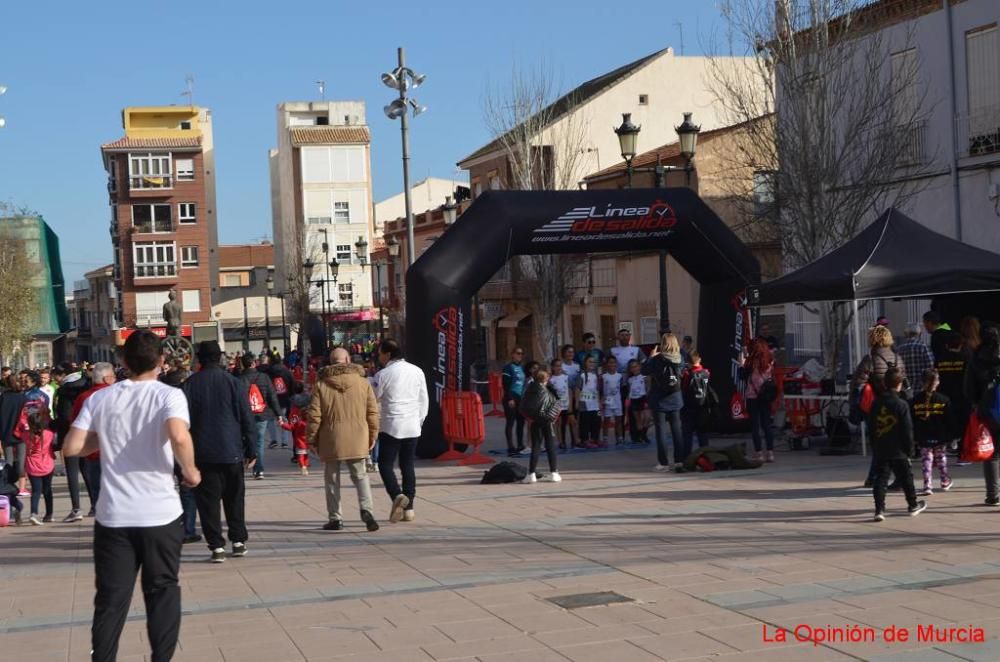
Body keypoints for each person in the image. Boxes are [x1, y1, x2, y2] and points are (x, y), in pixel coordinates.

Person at [63, 330, 201, 662]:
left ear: (123, 362)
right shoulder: (169, 395)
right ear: (161, 361)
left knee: (111, 599)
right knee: (163, 590)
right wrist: (191, 470)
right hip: (160, 513)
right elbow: (178, 436)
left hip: (114, 516)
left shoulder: (100, 398)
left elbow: (71, 447)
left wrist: (106, 441)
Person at [183, 341, 257, 562]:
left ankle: (216, 546)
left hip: (202, 452)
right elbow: (246, 417)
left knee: (208, 502)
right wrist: (251, 448)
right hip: (231, 449)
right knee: (234, 498)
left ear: (199, 359)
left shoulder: (190, 384)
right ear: (220, 358)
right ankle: (238, 540)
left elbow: (183, 422)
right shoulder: (234, 383)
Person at [308, 347, 381, 532]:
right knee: (360, 475)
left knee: (332, 479)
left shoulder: (321, 385)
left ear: (330, 362)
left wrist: (312, 439)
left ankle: (335, 518)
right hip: (358, 435)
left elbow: (314, 416)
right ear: (348, 359)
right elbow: (373, 412)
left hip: (330, 437)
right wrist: (373, 435)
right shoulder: (362, 382)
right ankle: (367, 510)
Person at [374, 340, 428, 523]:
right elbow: (424, 400)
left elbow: (375, 396)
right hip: (412, 424)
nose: (379, 357)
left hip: (392, 425)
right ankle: (409, 508)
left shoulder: (383, 374)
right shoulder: (417, 371)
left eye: (380, 353)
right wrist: (419, 421)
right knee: (407, 465)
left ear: (388, 354)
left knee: (385, 464)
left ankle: (397, 495)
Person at [870, 367, 926, 521]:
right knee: (906, 477)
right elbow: (907, 429)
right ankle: (912, 504)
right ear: (899, 384)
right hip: (899, 448)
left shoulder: (876, 403)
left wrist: (873, 445)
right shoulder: (901, 404)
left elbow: (871, 426)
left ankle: (879, 509)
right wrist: (910, 449)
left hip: (881, 445)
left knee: (881, 478)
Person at [69, 362, 117, 516]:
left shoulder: (82, 398)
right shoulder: (118, 395)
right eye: (114, 376)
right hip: (116, 454)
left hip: (93, 455)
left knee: (99, 499)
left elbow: (75, 426)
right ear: (107, 378)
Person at [52, 364, 92, 522]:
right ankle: (94, 505)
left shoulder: (65, 390)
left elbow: (64, 416)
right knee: (87, 471)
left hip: (70, 434)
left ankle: (76, 508)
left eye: (56, 375)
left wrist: (53, 425)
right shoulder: (85, 384)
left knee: (72, 473)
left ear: (63, 374)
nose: (55, 378)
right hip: (87, 434)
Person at [965, 326, 1000, 506]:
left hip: (987, 410)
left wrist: (976, 404)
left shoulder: (977, 358)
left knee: (991, 453)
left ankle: (993, 494)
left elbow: (968, 387)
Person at [643, 333, 686, 471]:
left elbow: (644, 371)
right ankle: (679, 460)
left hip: (659, 399)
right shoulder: (680, 358)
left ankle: (664, 463)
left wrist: (651, 356)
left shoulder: (657, 359)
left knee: (661, 431)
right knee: (677, 430)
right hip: (675, 398)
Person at [911, 368, 956, 497]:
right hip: (940, 435)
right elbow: (950, 420)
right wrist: (952, 435)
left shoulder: (915, 400)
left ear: (922, 382)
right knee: (941, 458)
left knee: (926, 460)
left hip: (923, 435)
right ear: (937, 382)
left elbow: (912, 419)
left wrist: (914, 436)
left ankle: (927, 485)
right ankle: (945, 480)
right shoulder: (944, 400)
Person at [240, 354, 282, 479]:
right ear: (254, 363)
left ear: (242, 365)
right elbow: (272, 396)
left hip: (246, 415)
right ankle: (259, 470)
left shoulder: (240, 379)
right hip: (262, 413)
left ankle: (247, 461)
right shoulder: (264, 377)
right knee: (259, 441)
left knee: (245, 440)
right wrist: (278, 414)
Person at [522, 369, 561, 483]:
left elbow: (523, 405)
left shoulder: (529, 389)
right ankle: (554, 473)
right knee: (550, 446)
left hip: (535, 421)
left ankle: (531, 474)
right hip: (547, 421)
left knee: (536, 447)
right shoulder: (548, 390)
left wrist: (530, 417)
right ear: (546, 379)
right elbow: (557, 402)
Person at [744, 338, 776, 463]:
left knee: (755, 426)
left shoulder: (750, 363)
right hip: (765, 396)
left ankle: (758, 453)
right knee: (767, 424)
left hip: (753, 397)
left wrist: (743, 362)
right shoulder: (769, 361)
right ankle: (770, 452)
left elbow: (742, 376)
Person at [24, 408, 55, 525]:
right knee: (48, 490)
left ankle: (33, 513)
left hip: (32, 467)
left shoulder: (26, 435)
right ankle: (49, 514)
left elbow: (17, 432)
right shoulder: (49, 434)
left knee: (36, 491)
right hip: (47, 465)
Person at [0, 375, 27, 497]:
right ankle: (22, 488)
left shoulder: (3, 397)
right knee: (21, 460)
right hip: (20, 432)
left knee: (9, 460)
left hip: (6, 432)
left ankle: (9, 485)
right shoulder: (23, 397)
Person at [682, 351, 714, 453]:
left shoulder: (687, 374)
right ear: (699, 359)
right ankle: (705, 456)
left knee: (687, 435)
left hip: (689, 408)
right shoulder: (706, 372)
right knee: (703, 434)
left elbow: (684, 388)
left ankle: (687, 458)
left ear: (689, 362)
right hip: (703, 406)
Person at [501, 347, 527, 456]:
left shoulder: (521, 368)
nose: (520, 355)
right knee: (510, 422)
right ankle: (510, 446)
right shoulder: (508, 367)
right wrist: (510, 398)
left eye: (521, 354)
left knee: (521, 422)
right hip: (511, 397)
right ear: (512, 354)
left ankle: (520, 444)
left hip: (520, 398)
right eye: (518, 353)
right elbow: (505, 384)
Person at [282, 381, 312, 475]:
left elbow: (288, 409)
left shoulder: (291, 399)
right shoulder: (308, 397)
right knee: (306, 439)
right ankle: (306, 462)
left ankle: (297, 456)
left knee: (296, 438)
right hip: (305, 420)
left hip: (294, 419)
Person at [265, 355, 294, 450]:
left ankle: (274, 440)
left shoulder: (268, 372)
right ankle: (284, 442)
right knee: (284, 419)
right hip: (284, 399)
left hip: (271, 400)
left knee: (271, 421)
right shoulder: (286, 372)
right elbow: (291, 385)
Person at [896, 324, 934, 393]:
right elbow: (931, 366)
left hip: (905, 390)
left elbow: (897, 369)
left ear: (906, 334)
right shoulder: (923, 346)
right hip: (921, 388)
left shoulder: (899, 348)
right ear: (919, 334)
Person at [577, 355, 601, 449]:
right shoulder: (582, 375)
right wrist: (578, 403)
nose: (592, 364)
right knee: (585, 423)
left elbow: (597, 389)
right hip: (585, 403)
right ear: (585, 363)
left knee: (596, 421)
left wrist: (599, 401)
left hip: (594, 403)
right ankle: (585, 440)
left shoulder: (595, 375)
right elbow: (577, 389)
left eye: (593, 362)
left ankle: (595, 439)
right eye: (590, 362)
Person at [558, 345, 581, 447]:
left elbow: (579, 381)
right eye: (568, 352)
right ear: (564, 353)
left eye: (572, 352)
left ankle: (574, 440)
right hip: (563, 395)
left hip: (574, 395)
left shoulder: (577, 366)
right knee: (563, 419)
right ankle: (562, 441)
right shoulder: (561, 366)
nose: (570, 354)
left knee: (574, 418)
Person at [600, 356, 624, 446]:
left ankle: (620, 438)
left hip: (617, 401)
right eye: (610, 362)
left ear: (616, 364)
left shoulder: (620, 376)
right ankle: (605, 438)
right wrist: (602, 401)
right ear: (606, 364)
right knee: (606, 420)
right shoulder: (603, 376)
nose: (612, 364)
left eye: (614, 362)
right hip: (607, 402)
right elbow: (601, 390)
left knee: (618, 420)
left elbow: (621, 388)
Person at [625, 359, 650, 444]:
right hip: (634, 400)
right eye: (632, 367)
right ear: (630, 369)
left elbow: (648, 389)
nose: (634, 368)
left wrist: (647, 400)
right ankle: (640, 436)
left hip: (643, 399)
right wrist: (628, 401)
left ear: (639, 366)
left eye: (636, 366)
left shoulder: (645, 377)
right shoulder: (630, 380)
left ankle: (644, 434)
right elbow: (629, 391)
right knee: (638, 420)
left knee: (647, 418)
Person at [549, 359, 572, 450]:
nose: (558, 368)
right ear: (552, 367)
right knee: (557, 423)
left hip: (565, 404)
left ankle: (564, 440)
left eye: (559, 366)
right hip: (556, 406)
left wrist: (569, 404)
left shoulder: (565, 377)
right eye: (556, 366)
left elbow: (569, 391)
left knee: (564, 423)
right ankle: (559, 441)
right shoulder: (551, 380)